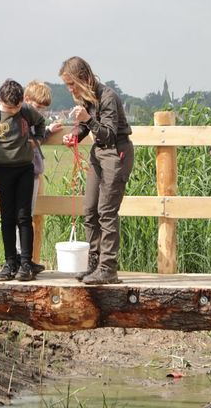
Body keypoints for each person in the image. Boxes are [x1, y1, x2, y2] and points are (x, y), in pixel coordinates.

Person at [60, 56, 134, 285]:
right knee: (89, 209)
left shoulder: (108, 97)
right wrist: (74, 136)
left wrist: (88, 119)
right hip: (98, 152)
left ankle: (108, 267)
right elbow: (85, 127)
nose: (70, 89)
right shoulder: (87, 97)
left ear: (83, 78)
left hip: (116, 152)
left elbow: (109, 133)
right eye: (67, 85)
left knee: (106, 212)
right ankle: (94, 262)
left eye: (71, 84)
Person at [0, 79, 46, 281]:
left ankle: (26, 263)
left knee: (24, 217)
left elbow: (41, 123)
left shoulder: (26, 110)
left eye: (18, 106)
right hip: (3, 172)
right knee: (7, 218)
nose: (15, 110)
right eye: (11, 107)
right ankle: (10, 262)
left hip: (25, 170)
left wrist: (38, 140)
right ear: (0, 100)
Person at [14, 80, 63, 273]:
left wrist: (49, 130)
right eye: (38, 106)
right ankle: (20, 256)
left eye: (43, 108)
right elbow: (32, 139)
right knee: (23, 216)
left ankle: (25, 257)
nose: (41, 111)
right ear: (27, 100)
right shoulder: (22, 119)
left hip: (32, 172)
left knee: (28, 215)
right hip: (23, 171)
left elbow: (38, 136)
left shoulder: (32, 119)